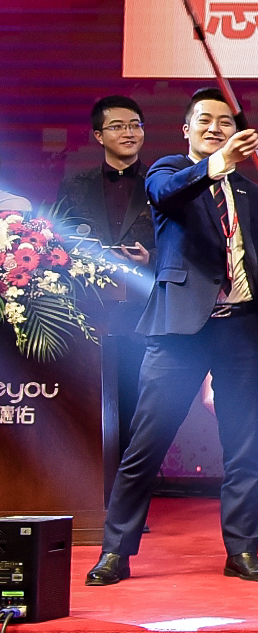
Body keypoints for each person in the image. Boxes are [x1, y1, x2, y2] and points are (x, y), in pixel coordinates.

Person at [85, 89, 258, 588]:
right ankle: (115, 552)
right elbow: (166, 195)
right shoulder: (168, 172)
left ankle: (242, 551)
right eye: (205, 121)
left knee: (244, 450)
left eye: (225, 121)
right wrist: (217, 164)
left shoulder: (253, 193)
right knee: (145, 446)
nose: (215, 127)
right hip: (179, 331)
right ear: (186, 129)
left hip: (241, 329)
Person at [50, 95, 154, 496]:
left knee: (138, 404)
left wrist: (151, 258)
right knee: (91, 401)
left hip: (146, 310)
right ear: (98, 135)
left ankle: (131, 496)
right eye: (118, 126)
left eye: (135, 125)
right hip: (90, 315)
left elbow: (184, 241)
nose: (129, 133)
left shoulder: (161, 183)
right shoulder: (75, 185)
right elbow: (57, 240)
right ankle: (92, 492)